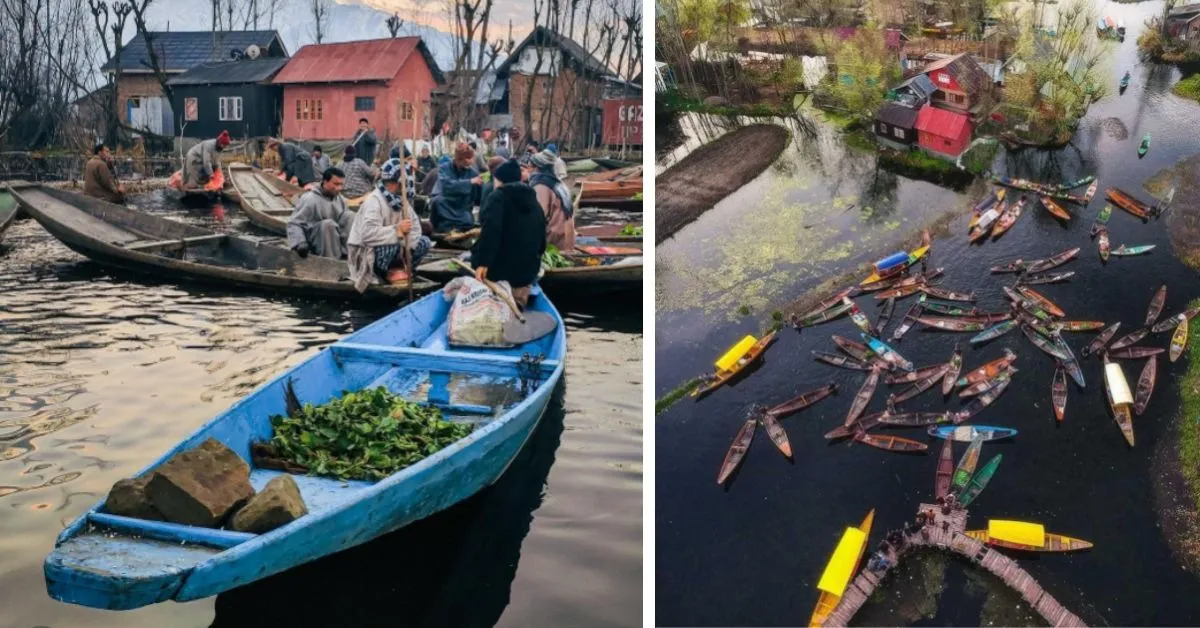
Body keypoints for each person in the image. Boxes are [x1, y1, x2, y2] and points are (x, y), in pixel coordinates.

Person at [471, 159, 547, 309]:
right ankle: (518, 302)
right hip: (527, 272)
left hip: (501, 272)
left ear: (499, 180)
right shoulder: (533, 199)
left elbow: (491, 232)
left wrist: (483, 263)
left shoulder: (497, 197)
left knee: (471, 261)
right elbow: (542, 238)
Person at [347, 158, 432, 291]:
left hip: (398, 252)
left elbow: (415, 228)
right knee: (390, 245)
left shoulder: (402, 201)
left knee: (424, 242)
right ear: (395, 182)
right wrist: (396, 231)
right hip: (367, 253)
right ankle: (382, 274)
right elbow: (367, 235)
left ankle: (404, 270)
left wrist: (406, 247)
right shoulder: (374, 201)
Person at [286, 167, 355, 259]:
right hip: (317, 242)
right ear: (325, 182)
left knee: (350, 216)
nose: (339, 188)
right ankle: (331, 260)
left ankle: (348, 255)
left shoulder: (339, 198)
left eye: (341, 184)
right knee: (328, 224)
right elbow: (294, 223)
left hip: (335, 242)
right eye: (336, 184)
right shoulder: (310, 199)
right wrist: (300, 242)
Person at [528, 149, 576, 252]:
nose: (528, 170)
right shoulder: (559, 184)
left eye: (530, 167)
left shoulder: (541, 186)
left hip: (552, 243)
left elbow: (538, 217)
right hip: (566, 239)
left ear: (537, 168)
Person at [430, 144, 481, 233]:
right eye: (467, 160)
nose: (470, 162)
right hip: (445, 205)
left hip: (462, 207)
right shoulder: (444, 168)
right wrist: (469, 182)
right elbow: (446, 187)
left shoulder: (473, 173)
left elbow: (475, 196)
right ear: (458, 159)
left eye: (471, 158)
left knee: (467, 219)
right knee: (437, 201)